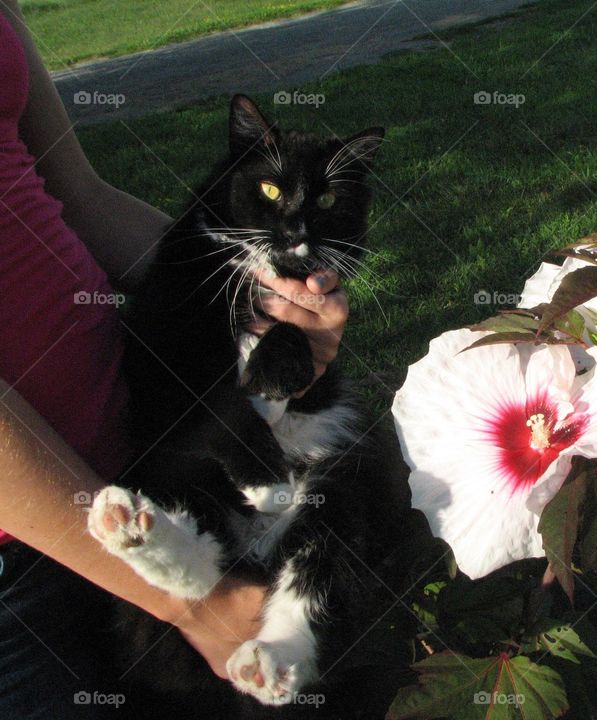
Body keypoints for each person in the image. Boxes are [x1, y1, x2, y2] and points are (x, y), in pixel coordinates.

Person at [0, 2, 350, 717]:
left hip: (153, 458)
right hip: (31, 553)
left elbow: (76, 194)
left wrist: (269, 305)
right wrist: (188, 600)